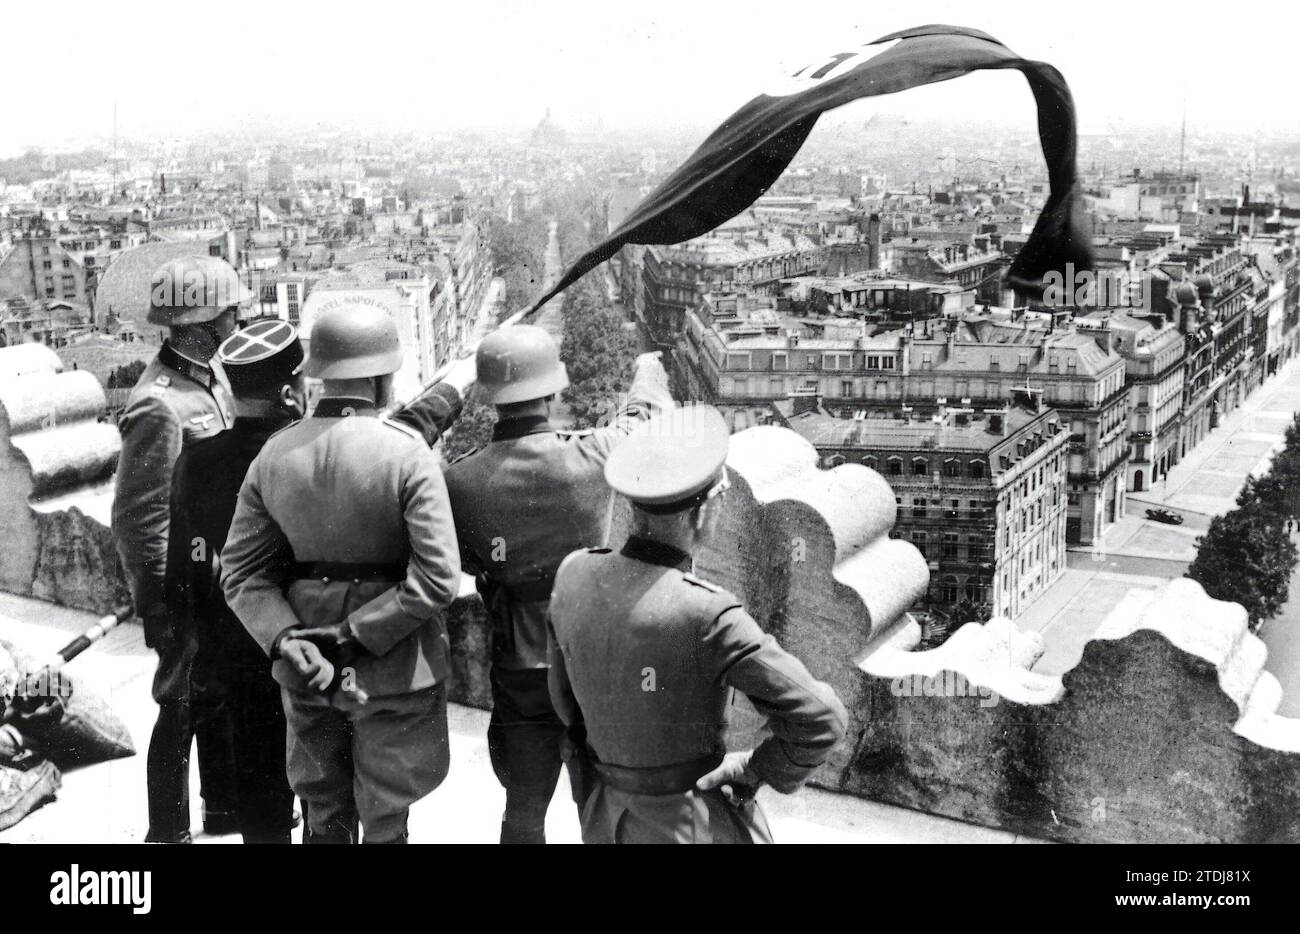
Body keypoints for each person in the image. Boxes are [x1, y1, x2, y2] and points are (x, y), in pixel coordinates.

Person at [546, 404, 849, 844]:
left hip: (605, 817)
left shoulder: (573, 571)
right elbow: (822, 717)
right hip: (689, 825)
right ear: (708, 507)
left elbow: (566, 706)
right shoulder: (708, 614)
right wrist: (753, 769)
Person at [220, 303, 462, 844]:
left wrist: (284, 638)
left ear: (316, 375)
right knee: (386, 816)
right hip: (395, 663)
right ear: (382, 377)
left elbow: (240, 572)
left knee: (323, 811)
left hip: (306, 661)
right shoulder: (408, 454)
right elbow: (439, 578)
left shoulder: (273, 454)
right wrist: (356, 634)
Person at [443, 325, 671, 844]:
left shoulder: (459, 481)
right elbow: (645, 418)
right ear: (554, 391)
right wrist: (646, 370)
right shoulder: (593, 455)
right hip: (592, 655)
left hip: (519, 664)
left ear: (490, 399)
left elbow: (461, 561)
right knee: (602, 800)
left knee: (524, 805)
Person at [112, 255, 247, 843]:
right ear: (202, 320)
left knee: (216, 695)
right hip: (181, 589)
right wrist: (159, 603)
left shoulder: (210, 377)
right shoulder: (157, 403)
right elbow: (139, 517)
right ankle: (166, 832)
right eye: (229, 309)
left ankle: (223, 810)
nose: (238, 315)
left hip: (214, 577)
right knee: (180, 706)